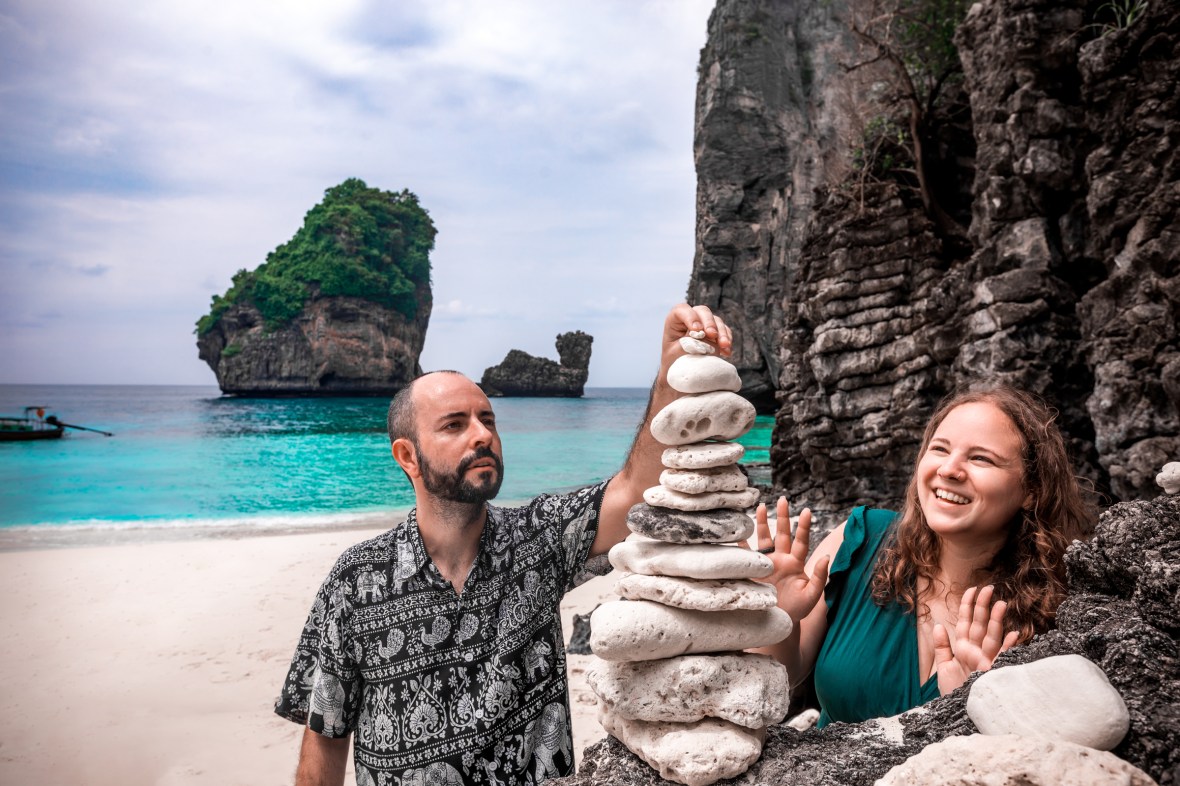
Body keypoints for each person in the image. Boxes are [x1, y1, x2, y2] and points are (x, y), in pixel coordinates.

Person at [274, 304, 732, 785]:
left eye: (488, 420)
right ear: (408, 456)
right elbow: (325, 736)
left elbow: (635, 488)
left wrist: (671, 370)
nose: (483, 435)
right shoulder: (356, 580)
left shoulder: (539, 539)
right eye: (455, 424)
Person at [755, 385, 1093, 727]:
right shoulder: (860, 540)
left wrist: (970, 705)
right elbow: (779, 679)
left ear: (1032, 491)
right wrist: (777, 619)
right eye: (940, 449)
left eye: (981, 458)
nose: (949, 469)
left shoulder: (1058, 615)